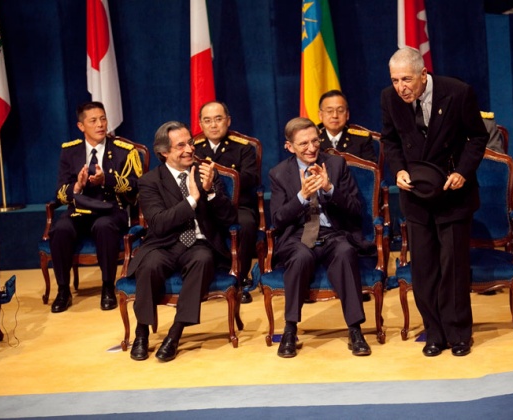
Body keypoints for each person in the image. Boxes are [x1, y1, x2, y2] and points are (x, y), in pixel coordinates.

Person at [380, 47, 488, 357]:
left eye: (407, 79)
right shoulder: (389, 98)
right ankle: (434, 333)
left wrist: (463, 172)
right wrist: (398, 168)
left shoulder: (457, 92)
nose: (401, 87)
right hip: (416, 195)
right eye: (395, 79)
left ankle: (458, 335)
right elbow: (390, 139)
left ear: (423, 74)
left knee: (452, 269)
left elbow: (477, 137)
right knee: (424, 270)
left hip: (452, 192)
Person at [128, 121, 237, 362]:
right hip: (164, 243)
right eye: (181, 145)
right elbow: (158, 223)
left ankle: (174, 335)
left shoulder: (207, 172)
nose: (189, 149)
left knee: (203, 259)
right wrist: (192, 201)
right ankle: (142, 332)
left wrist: (209, 192)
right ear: (164, 152)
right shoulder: (150, 181)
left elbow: (229, 217)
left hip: (198, 243)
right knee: (149, 265)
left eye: (190, 143)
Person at [269, 117, 371, 358]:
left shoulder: (336, 165)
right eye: (303, 143)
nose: (312, 148)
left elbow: (356, 208)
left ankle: (355, 329)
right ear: (290, 146)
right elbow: (278, 219)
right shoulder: (279, 174)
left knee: (345, 252)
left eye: (315, 140)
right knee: (301, 257)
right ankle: (290, 329)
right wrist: (301, 197)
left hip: (332, 233)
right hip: (298, 236)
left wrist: (329, 190)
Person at [49, 101, 141, 313]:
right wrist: (78, 185)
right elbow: (60, 193)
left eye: (103, 119)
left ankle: (108, 286)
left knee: (104, 227)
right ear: (81, 126)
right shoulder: (69, 152)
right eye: (93, 121)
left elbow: (135, 188)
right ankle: (63, 290)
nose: (100, 125)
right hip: (79, 211)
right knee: (60, 229)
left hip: (110, 210)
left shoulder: (123, 151)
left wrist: (106, 180)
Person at [194, 101, 259, 304]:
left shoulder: (244, 148)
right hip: (204, 207)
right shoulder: (193, 149)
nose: (213, 125)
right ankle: (208, 276)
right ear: (201, 124)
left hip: (237, 206)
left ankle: (240, 279)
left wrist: (219, 176)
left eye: (218, 119)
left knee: (246, 224)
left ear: (228, 121)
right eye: (207, 120)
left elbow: (251, 178)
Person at [317, 90, 378, 163]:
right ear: (320, 115)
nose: (335, 115)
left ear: (347, 114)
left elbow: (371, 171)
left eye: (340, 110)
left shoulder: (361, 140)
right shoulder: (313, 139)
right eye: (330, 111)